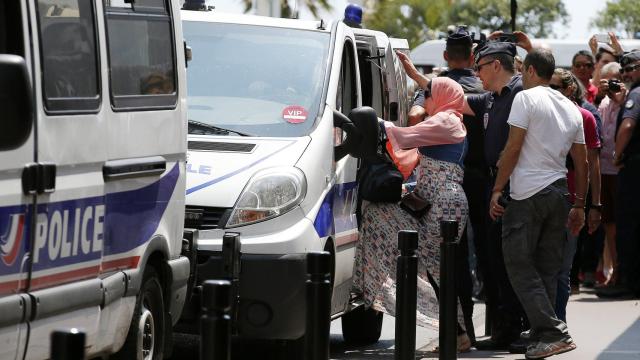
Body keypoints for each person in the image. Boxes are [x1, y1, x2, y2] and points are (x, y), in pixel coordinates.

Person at [352, 77, 471, 351]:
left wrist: (371, 121)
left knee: (438, 269)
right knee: (435, 268)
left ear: (441, 95)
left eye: (426, 94)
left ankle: (458, 334)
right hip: (433, 200)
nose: (424, 100)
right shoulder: (447, 119)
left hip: (444, 202)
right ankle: (457, 333)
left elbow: (403, 135)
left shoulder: (447, 121)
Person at [489, 48, 586, 359]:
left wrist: (497, 188)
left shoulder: (525, 98)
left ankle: (554, 331)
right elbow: (581, 163)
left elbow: (514, 146)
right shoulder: (571, 107)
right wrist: (580, 204)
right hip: (559, 192)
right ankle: (545, 330)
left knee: (518, 264)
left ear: (529, 71)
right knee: (546, 267)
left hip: (528, 193)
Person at [406, 26, 485, 344]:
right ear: (472, 55)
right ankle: (489, 329)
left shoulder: (435, 88)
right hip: (483, 180)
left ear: (445, 56)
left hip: (444, 184)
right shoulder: (483, 88)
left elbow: (413, 117)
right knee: (485, 258)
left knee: (447, 257)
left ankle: (457, 330)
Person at [548, 69, 601, 324]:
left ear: (570, 89)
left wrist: (594, 205)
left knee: (561, 268)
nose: (550, 92)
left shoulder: (585, 117)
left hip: (571, 199)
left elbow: (593, 166)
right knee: (538, 265)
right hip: (538, 197)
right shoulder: (536, 115)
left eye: (556, 87)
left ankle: (558, 324)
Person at [597, 51, 640, 298]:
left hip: (632, 168)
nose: (626, 75)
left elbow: (627, 126)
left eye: (631, 69)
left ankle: (628, 281)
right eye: (623, 71)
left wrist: (617, 153)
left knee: (627, 225)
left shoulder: (636, 94)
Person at [596, 62, 625, 287]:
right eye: (607, 80)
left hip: (622, 171)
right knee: (609, 226)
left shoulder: (628, 102)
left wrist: (619, 99)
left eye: (616, 79)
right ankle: (614, 272)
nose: (611, 84)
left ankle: (624, 274)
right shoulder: (602, 103)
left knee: (624, 224)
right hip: (603, 171)